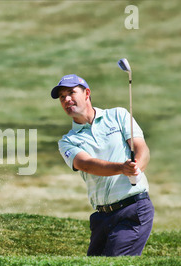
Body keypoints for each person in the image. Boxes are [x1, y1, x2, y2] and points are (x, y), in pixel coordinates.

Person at [51, 74, 154, 256]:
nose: (66, 99)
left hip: (132, 209)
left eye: (71, 93)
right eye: (62, 97)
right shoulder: (67, 141)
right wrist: (121, 168)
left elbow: (141, 148)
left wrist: (137, 167)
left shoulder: (118, 115)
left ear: (87, 93)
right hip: (102, 216)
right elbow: (86, 164)